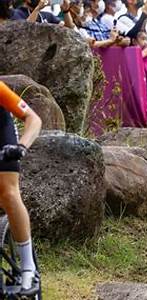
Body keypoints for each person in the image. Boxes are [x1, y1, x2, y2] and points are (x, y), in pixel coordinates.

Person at [0, 81, 42, 296]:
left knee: (8, 192)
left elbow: (33, 119)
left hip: (1, 136)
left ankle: (28, 268)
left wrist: (21, 147)